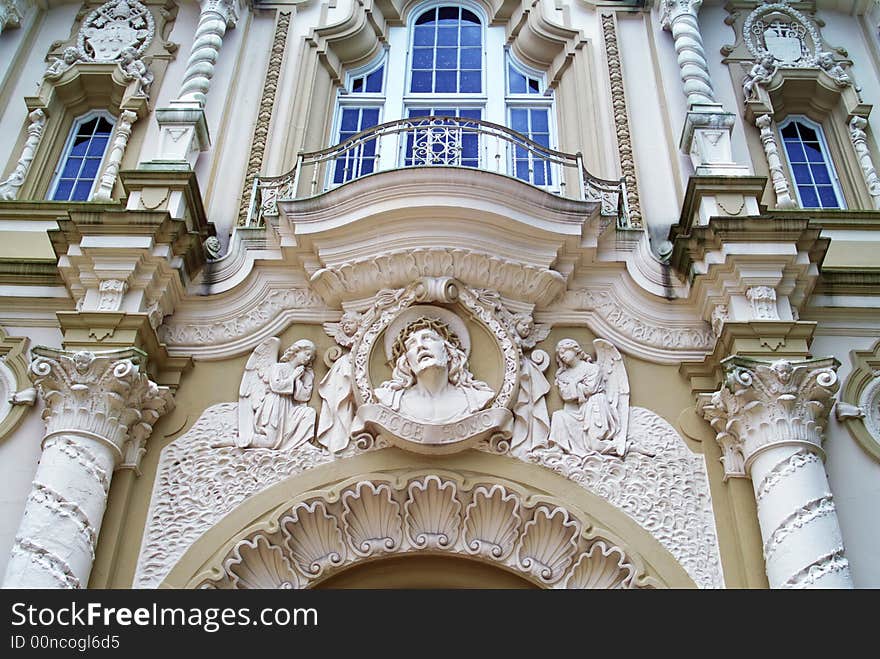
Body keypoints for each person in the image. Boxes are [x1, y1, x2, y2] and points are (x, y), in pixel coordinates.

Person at [375, 317, 494, 424]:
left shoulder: (477, 398)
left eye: (428, 338)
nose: (420, 346)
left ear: (448, 352)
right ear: (407, 363)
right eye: (411, 344)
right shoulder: (392, 400)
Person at [235, 338, 317, 450]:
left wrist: (298, 380)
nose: (308, 359)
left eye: (310, 357)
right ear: (296, 351)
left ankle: (302, 442)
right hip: (275, 405)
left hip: (289, 407)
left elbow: (303, 397)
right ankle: (242, 440)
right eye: (307, 354)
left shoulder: (304, 373)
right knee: (270, 442)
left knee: (309, 412)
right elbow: (276, 386)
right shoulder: (278, 367)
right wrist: (293, 377)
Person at [549, 339, 621, 457]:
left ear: (575, 350)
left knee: (594, 445)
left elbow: (591, 389)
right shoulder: (563, 375)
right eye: (560, 354)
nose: (562, 356)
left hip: (594, 406)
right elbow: (566, 395)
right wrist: (577, 385)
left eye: (564, 352)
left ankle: (620, 446)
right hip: (577, 410)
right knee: (558, 415)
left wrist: (572, 385)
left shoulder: (592, 369)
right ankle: (558, 448)